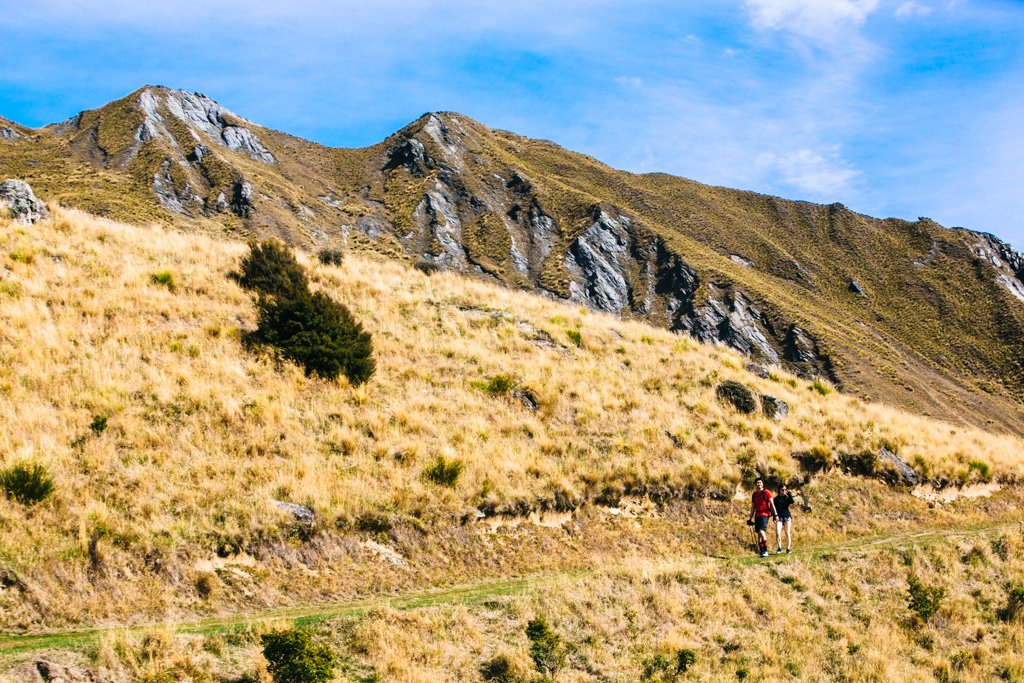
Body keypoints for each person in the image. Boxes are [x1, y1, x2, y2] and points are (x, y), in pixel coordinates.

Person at [747, 477, 778, 558]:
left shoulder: (767, 492)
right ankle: (762, 551)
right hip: (757, 515)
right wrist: (750, 518)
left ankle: (765, 550)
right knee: (759, 534)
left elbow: (772, 504)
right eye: (757, 483)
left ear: (762, 483)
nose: (758, 484)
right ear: (755, 484)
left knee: (761, 530)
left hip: (765, 514)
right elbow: (753, 507)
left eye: (760, 482)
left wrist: (776, 515)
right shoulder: (754, 495)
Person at [774, 484, 795, 554]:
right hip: (779, 517)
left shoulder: (787, 498)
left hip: (787, 516)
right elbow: (774, 509)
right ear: (779, 490)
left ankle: (788, 548)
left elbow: (792, 501)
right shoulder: (776, 499)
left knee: (787, 533)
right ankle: (779, 548)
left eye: (785, 489)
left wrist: (789, 493)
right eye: (782, 490)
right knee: (778, 532)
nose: (784, 491)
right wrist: (774, 516)